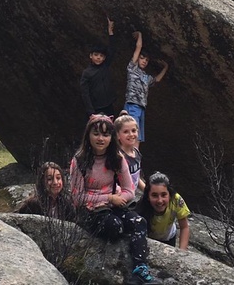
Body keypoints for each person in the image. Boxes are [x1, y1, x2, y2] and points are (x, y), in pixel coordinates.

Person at [70, 114, 162, 285]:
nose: (100, 138)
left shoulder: (117, 158)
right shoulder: (79, 161)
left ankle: (140, 270)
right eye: (96, 134)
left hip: (114, 206)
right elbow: (77, 196)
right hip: (91, 209)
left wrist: (115, 199)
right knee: (115, 227)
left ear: (112, 137)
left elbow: (129, 190)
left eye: (105, 134)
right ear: (88, 135)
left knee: (139, 222)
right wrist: (109, 198)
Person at [124, 31, 168, 147]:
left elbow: (157, 79)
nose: (144, 61)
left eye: (146, 60)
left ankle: (136, 162)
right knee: (130, 132)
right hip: (132, 104)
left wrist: (165, 67)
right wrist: (140, 35)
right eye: (142, 58)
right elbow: (138, 47)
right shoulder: (132, 68)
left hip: (142, 107)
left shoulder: (146, 77)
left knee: (138, 136)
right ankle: (127, 160)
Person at [136, 171, 190, 250]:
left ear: (170, 194)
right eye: (154, 195)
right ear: (148, 197)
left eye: (164, 195)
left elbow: (184, 227)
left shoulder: (176, 200)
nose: (160, 200)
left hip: (169, 237)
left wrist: (182, 252)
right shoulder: (142, 206)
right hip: (150, 238)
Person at [80, 18, 117, 117]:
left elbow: (112, 49)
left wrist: (110, 31)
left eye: (101, 56)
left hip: (109, 104)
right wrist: (91, 111)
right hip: (96, 108)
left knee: (111, 129)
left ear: (104, 58)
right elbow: (85, 93)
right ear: (91, 56)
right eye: (96, 55)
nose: (98, 58)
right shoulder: (87, 72)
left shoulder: (105, 66)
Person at [115, 111, 145, 194]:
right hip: (121, 196)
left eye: (133, 130)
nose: (131, 134)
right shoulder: (118, 156)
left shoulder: (136, 153)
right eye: (126, 132)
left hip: (134, 194)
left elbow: (137, 178)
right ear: (117, 135)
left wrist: (148, 192)